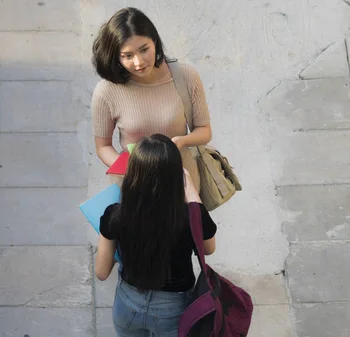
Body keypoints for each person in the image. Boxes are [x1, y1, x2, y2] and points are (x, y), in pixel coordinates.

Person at [95, 134, 217, 337]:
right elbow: (209, 248)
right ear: (177, 177)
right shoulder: (189, 217)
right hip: (173, 308)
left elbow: (101, 272)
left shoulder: (115, 213)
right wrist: (192, 192)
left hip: (128, 304)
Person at [91, 7, 212, 191]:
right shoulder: (107, 90)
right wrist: (133, 171)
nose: (138, 62)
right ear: (116, 56)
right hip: (135, 188)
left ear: (154, 41)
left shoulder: (185, 76)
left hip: (183, 184)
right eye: (127, 56)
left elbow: (204, 131)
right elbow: (103, 147)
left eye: (144, 49)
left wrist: (181, 142)